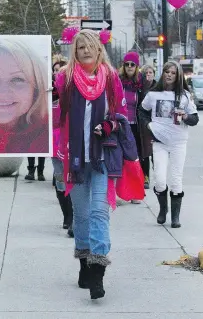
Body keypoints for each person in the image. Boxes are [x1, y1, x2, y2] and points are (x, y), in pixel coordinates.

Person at [55, 29, 130, 300]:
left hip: (102, 157)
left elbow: (121, 116)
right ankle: (84, 262)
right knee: (82, 215)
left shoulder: (111, 79)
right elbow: (53, 111)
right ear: (74, 52)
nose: (85, 51)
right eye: (79, 47)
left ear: (99, 49)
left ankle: (97, 270)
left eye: (89, 46)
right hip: (74, 157)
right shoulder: (64, 80)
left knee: (99, 212)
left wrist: (109, 124)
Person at [139, 61, 199, 229]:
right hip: (159, 141)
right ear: (163, 73)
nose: (169, 75)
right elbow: (141, 111)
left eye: (173, 72)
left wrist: (186, 117)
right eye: (167, 72)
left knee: (176, 179)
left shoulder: (185, 95)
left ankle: (175, 216)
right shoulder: (153, 94)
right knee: (159, 179)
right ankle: (163, 209)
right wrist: (148, 126)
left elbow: (195, 119)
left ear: (178, 75)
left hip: (179, 142)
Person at [119, 52, 151, 198]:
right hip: (121, 125)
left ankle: (137, 190)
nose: (130, 67)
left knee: (136, 157)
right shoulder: (118, 81)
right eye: (127, 64)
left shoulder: (142, 83)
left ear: (137, 66)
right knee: (120, 158)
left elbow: (147, 104)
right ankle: (122, 190)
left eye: (132, 64)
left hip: (137, 126)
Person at [51, 54, 73, 237]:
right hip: (53, 142)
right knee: (60, 179)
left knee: (72, 179)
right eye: (55, 71)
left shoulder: (73, 93)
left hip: (71, 142)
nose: (58, 74)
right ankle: (66, 215)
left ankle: (74, 217)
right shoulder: (48, 93)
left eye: (62, 72)